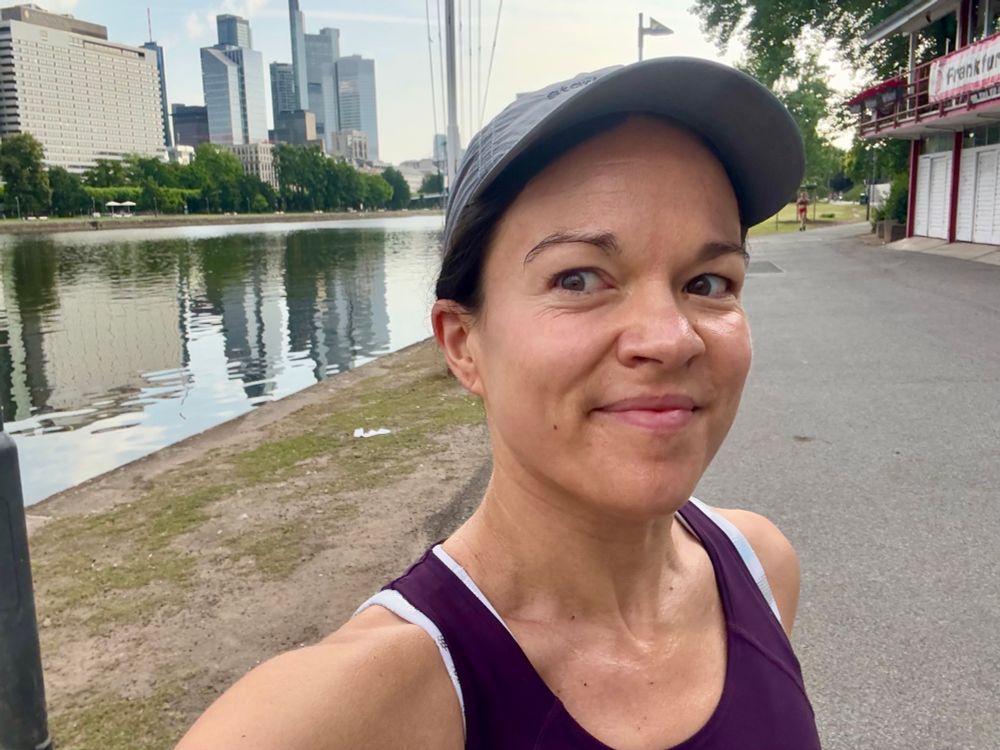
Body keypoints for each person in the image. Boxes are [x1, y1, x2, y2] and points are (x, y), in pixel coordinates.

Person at [176, 58, 820, 750]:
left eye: (709, 282)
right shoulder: (354, 709)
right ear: (463, 344)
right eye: (579, 278)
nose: (670, 338)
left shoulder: (760, 569)